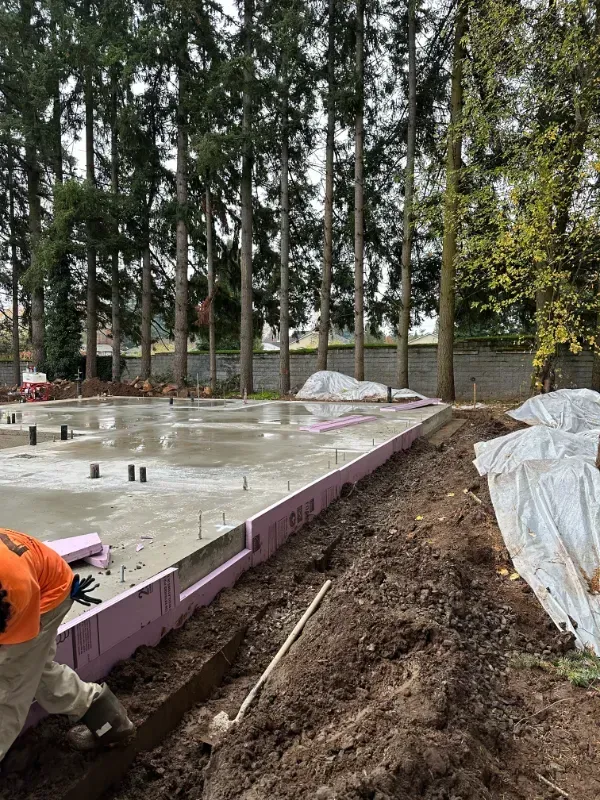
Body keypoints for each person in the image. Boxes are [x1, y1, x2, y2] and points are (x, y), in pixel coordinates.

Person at [0, 528, 135, 763]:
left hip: (44, 597)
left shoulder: (14, 591)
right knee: (34, 668)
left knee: (9, 686)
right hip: (31, 578)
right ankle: (107, 719)